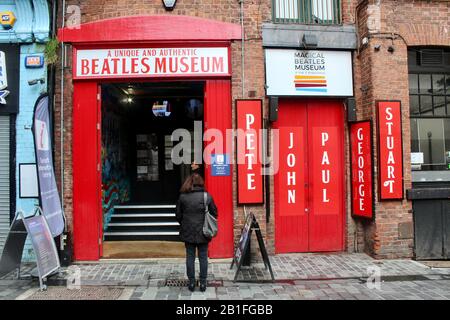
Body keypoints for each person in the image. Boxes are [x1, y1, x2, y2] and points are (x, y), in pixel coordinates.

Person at [176, 173, 218, 292]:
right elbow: (214, 213)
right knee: (203, 257)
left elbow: (178, 215)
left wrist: (184, 223)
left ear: (189, 183)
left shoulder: (183, 197)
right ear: (201, 183)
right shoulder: (207, 196)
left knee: (190, 257)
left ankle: (191, 283)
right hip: (204, 232)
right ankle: (203, 283)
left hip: (188, 231)